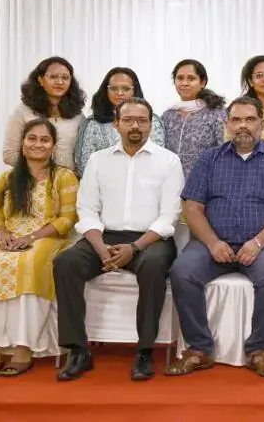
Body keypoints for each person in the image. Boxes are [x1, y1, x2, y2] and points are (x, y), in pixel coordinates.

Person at [165, 96, 264, 379]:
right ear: (227, 124)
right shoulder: (209, 159)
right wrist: (213, 242)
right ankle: (199, 349)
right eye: (236, 120)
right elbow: (192, 207)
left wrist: (259, 242)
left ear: (261, 124)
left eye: (250, 120)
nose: (243, 126)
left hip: (263, 245)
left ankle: (259, 351)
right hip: (213, 243)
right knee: (182, 272)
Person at [52, 98, 183, 382]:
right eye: (128, 120)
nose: (135, 126)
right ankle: (78, 349)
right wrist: (100, 248)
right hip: (104, 236)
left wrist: (134, 248)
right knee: (66, 262)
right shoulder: (99, 160)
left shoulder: (169, 161)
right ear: (116, 124)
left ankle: (145, 350)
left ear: (151, 124)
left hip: (151, 239)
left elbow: (168, 216)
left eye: (142, 120)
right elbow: (86, 209)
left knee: (151, 266)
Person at [0, 120, 78, 378]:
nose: (38, 144)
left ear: (53, 146)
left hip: (48, 237)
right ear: (23, 143)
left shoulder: (63, 177)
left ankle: (24, 348)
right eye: (32, 139)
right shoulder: (6, 178)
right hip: (10, 236)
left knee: (29, 263)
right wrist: (2, 234)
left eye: (44, 140)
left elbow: (67, 219)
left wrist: (32, 237)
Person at [74, 67, 164, 176]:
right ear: (106, 91)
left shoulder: (152, 120)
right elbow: (85, 165)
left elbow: (158, 158)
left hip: (146, 182)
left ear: (135, 90)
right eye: (114, 88)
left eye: (126, 89)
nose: (120, 93)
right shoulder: (93, 122)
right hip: (105, 185)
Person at [3, 56, 86, 171]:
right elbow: (9, 155)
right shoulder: (23, 112)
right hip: (32, 183)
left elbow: (83, 156)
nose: (60, 82)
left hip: (69, 184)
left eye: (65, 78)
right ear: (40, 80)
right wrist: (42, 171)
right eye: (53, 77)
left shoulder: (78, 116)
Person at [161, 59, 228, 178]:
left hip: (204, 181)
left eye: (191, 78)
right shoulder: (168, 115)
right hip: (170, 180)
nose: (185, 83)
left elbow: (224, 151)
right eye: (180, 78)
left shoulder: (217, 113)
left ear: (202, 82)